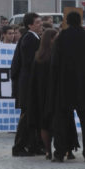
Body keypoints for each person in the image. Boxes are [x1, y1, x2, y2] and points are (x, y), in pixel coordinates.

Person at [49, 11, 85, 162]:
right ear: (81, 21)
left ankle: (60, 152)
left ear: (67, 21)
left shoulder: (61, 38)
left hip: (65, 84)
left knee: (61, 120)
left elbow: (55, 63)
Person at [10, 12, 43, 157]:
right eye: (38, 23)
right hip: (28, 84)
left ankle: (33, 145)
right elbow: (30, 63)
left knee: (32, 115)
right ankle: (19, 146)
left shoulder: (30, 37)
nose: (40, 25)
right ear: (30, 25)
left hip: (29, 83)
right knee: (26, 116)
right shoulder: (30, 39)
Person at [30, 28, 59, 159]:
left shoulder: (38, 56)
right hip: (54, 93)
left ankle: (48, 150)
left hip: (41, 94)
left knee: (44, 124)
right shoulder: (56, 55)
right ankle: (60, 148)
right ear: (52, 39)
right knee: (56, 122)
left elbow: (33, 78)